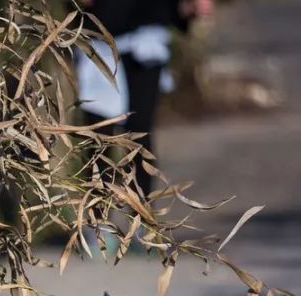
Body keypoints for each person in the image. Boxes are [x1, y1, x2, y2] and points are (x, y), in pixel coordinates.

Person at [77, 0, 214, 195]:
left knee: (140, 131)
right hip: (100, 36)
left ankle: (141, 215)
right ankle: (96, 216)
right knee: (99, 135)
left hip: (148, 32)